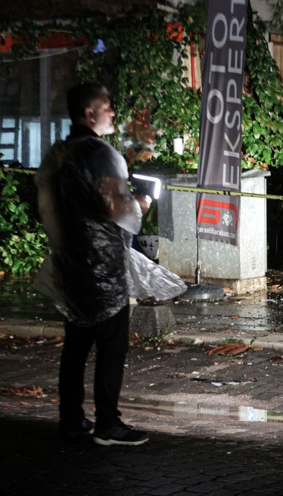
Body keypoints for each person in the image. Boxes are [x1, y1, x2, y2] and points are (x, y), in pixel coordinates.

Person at [36, 83, 152, 446]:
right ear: (90, 114)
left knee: (75, 346)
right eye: (107, 107)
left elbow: (45, 208)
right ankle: (108, 424)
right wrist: (142, 205)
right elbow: (118, 210)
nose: (113, 113)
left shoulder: (58, 153)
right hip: (103, 270)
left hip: (70, 266)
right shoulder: (101, 154)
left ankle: (71, 419)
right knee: (112, 346)